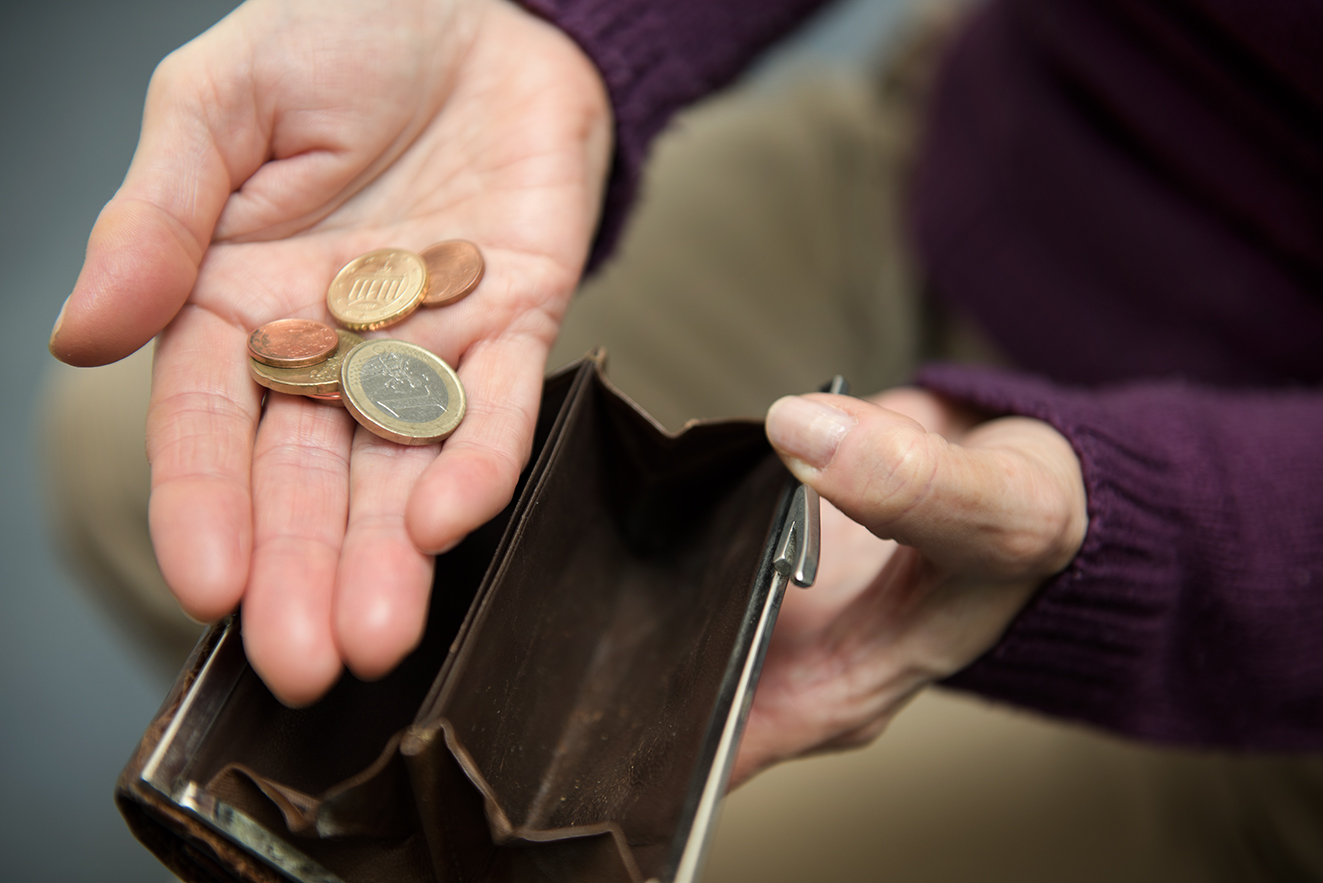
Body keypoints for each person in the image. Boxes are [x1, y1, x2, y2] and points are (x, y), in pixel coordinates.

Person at [44, 0, 1323, 876]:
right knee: (128, 463)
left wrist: (1129, 519)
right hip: (1005, 151)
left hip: (1257, 566)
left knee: (584, 844)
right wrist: (549, 28)